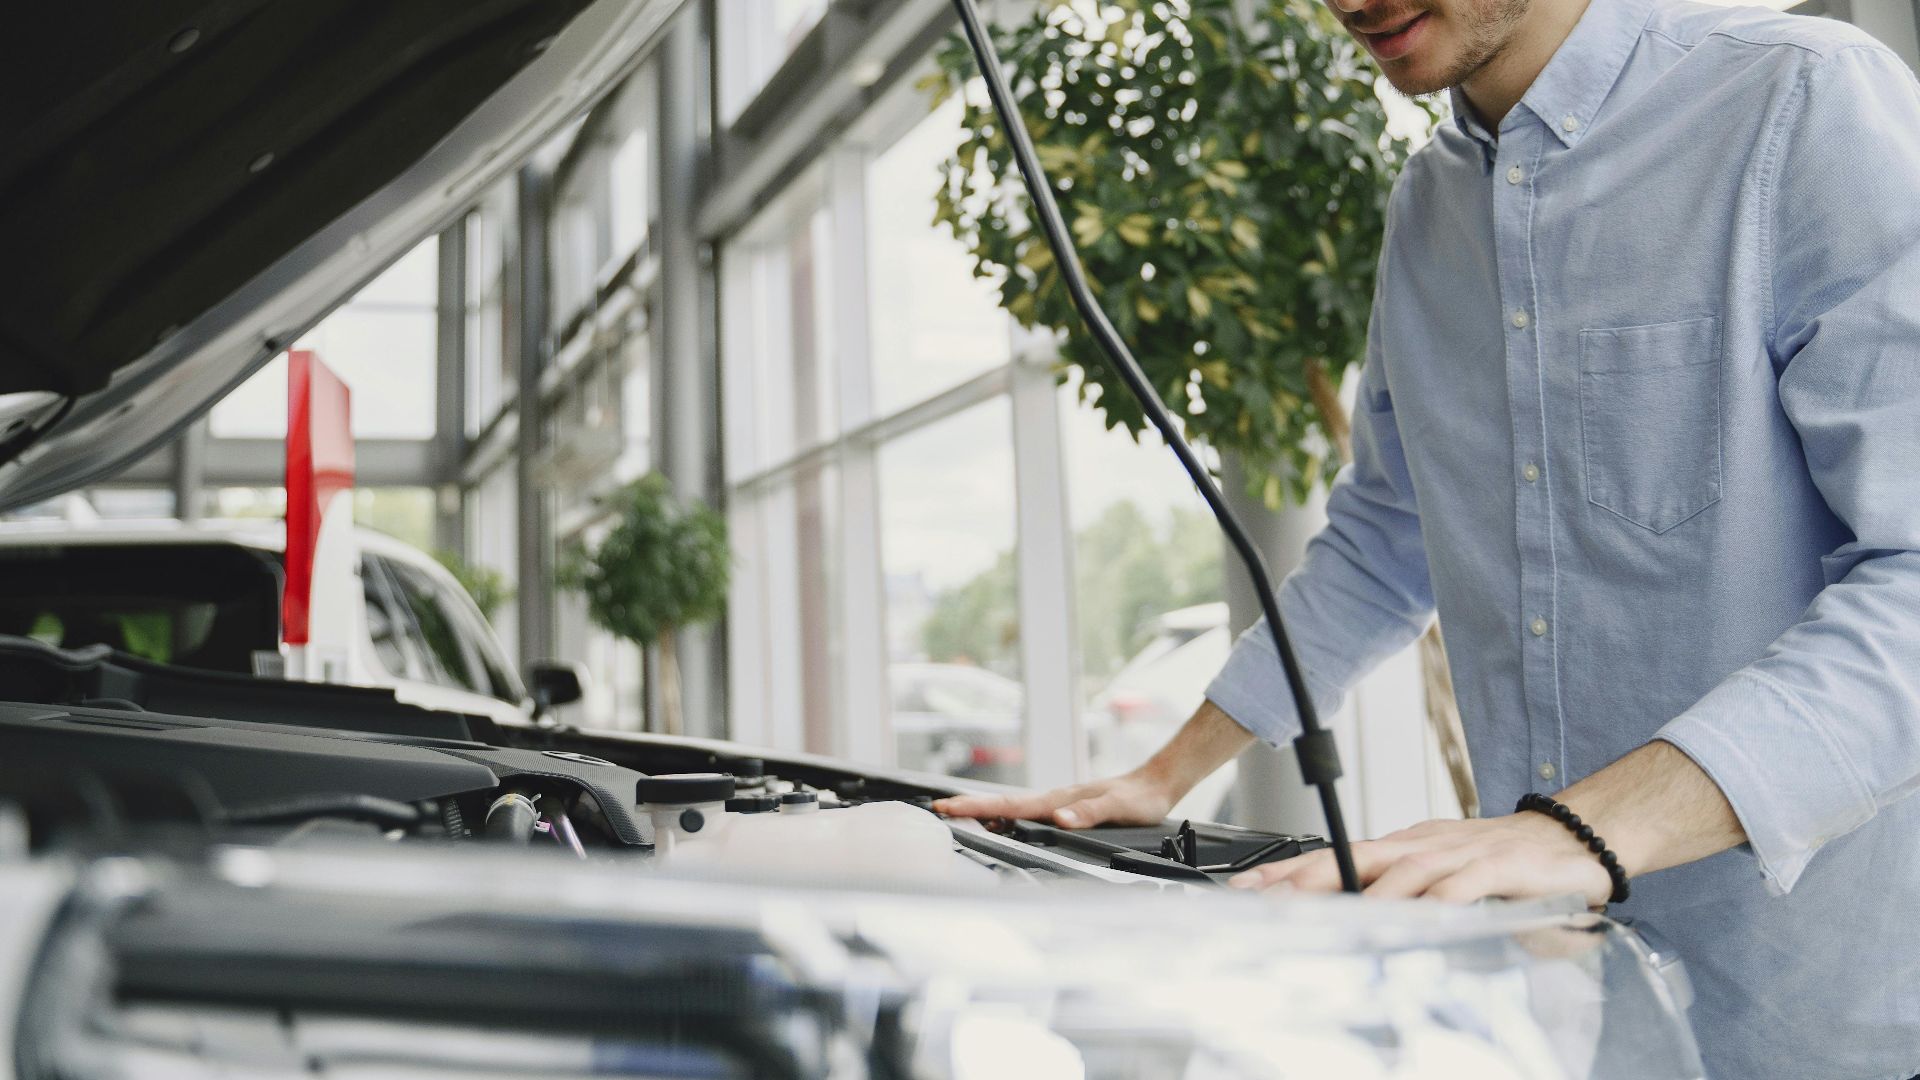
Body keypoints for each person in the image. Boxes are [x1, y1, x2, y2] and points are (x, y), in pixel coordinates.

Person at [935, 0, 1920, 1076]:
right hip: (1584, 1004)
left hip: (1827, 1006)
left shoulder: (1797, 98)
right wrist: (1161, 779)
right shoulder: (1431, 205)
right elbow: (1379, 539)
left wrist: (1584, 828)